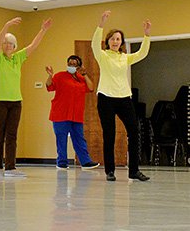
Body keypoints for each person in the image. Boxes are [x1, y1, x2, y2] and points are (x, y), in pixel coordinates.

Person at [92, 10, 151, 182]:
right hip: (106, 98)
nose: (115, 41)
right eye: (112, 39)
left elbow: (142, 54)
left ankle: (134, 171)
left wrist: (147, 35)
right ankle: (110, 171)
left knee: (134, 131)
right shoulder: (102, 56)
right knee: (109, 134)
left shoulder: (125, 58)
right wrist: (101, 24)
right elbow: (94, 44)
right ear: (108, 41)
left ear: (121, 42)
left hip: (124, 98)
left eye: (118, 39)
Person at [0, 17, 53, 177]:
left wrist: (43, 30)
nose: (7, 45)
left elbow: (33, 46)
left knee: (12, 135)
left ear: (14, 46)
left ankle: (10, 167)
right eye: (5, 43)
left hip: (15, 102)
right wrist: (6, 25)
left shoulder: (18, 58)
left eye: (10, 43)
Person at [45, 55, 99, 170]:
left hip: (76, 115)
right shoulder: (60, 76)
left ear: (79, 66)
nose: (71, 65)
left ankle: (85, 161)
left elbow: (91, 88)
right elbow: (49, 86)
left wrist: (85, 74)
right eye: (70, 63)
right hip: (60, 113)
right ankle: (62, 162)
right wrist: (50, 75)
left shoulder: (81, 78)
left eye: (74, 64)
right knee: (61, 139)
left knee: (79, 138)